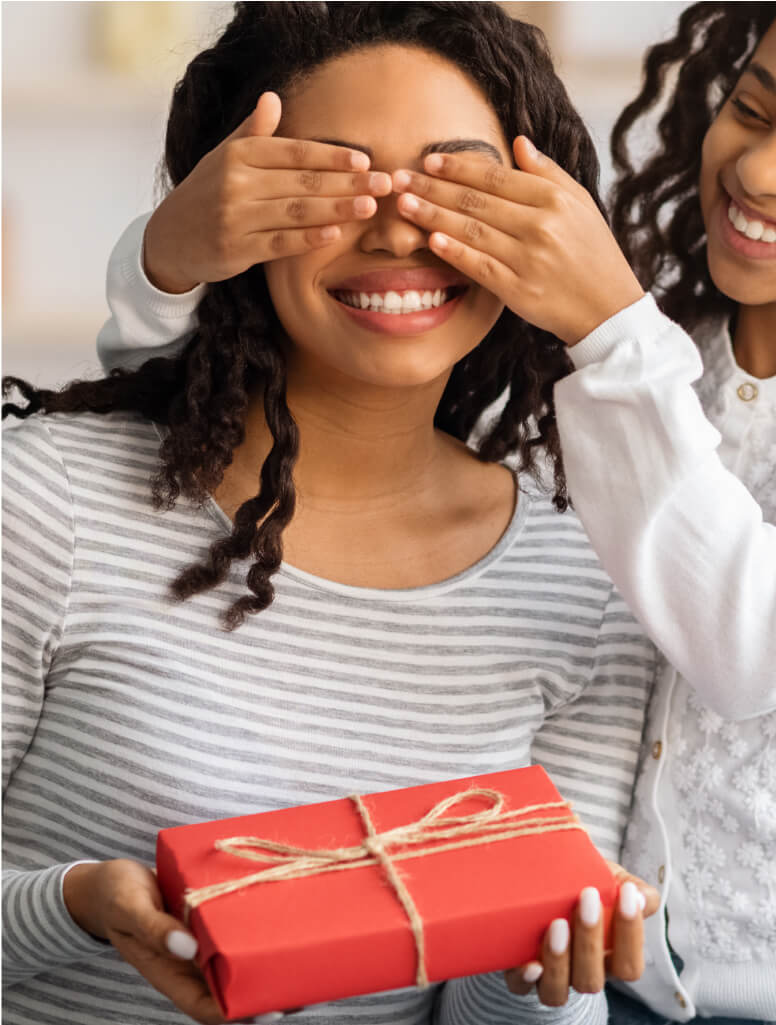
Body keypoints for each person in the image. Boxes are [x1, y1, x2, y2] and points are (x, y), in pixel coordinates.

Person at [98, 1, 776, 1022]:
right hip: (625, 991)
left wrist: (611, 331)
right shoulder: (650, 357)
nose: (760, 168)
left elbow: (757, 646)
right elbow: (203, 421)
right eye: (751, 109)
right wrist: (168, 257)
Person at [1, 5, 661, 1025]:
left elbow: (501, 1003)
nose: (399, 226)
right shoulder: (45, 504)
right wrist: (75, 907)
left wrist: (538, 981)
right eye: (336, 181)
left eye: (458, 182)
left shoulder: (587, 580)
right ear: (236, 211)